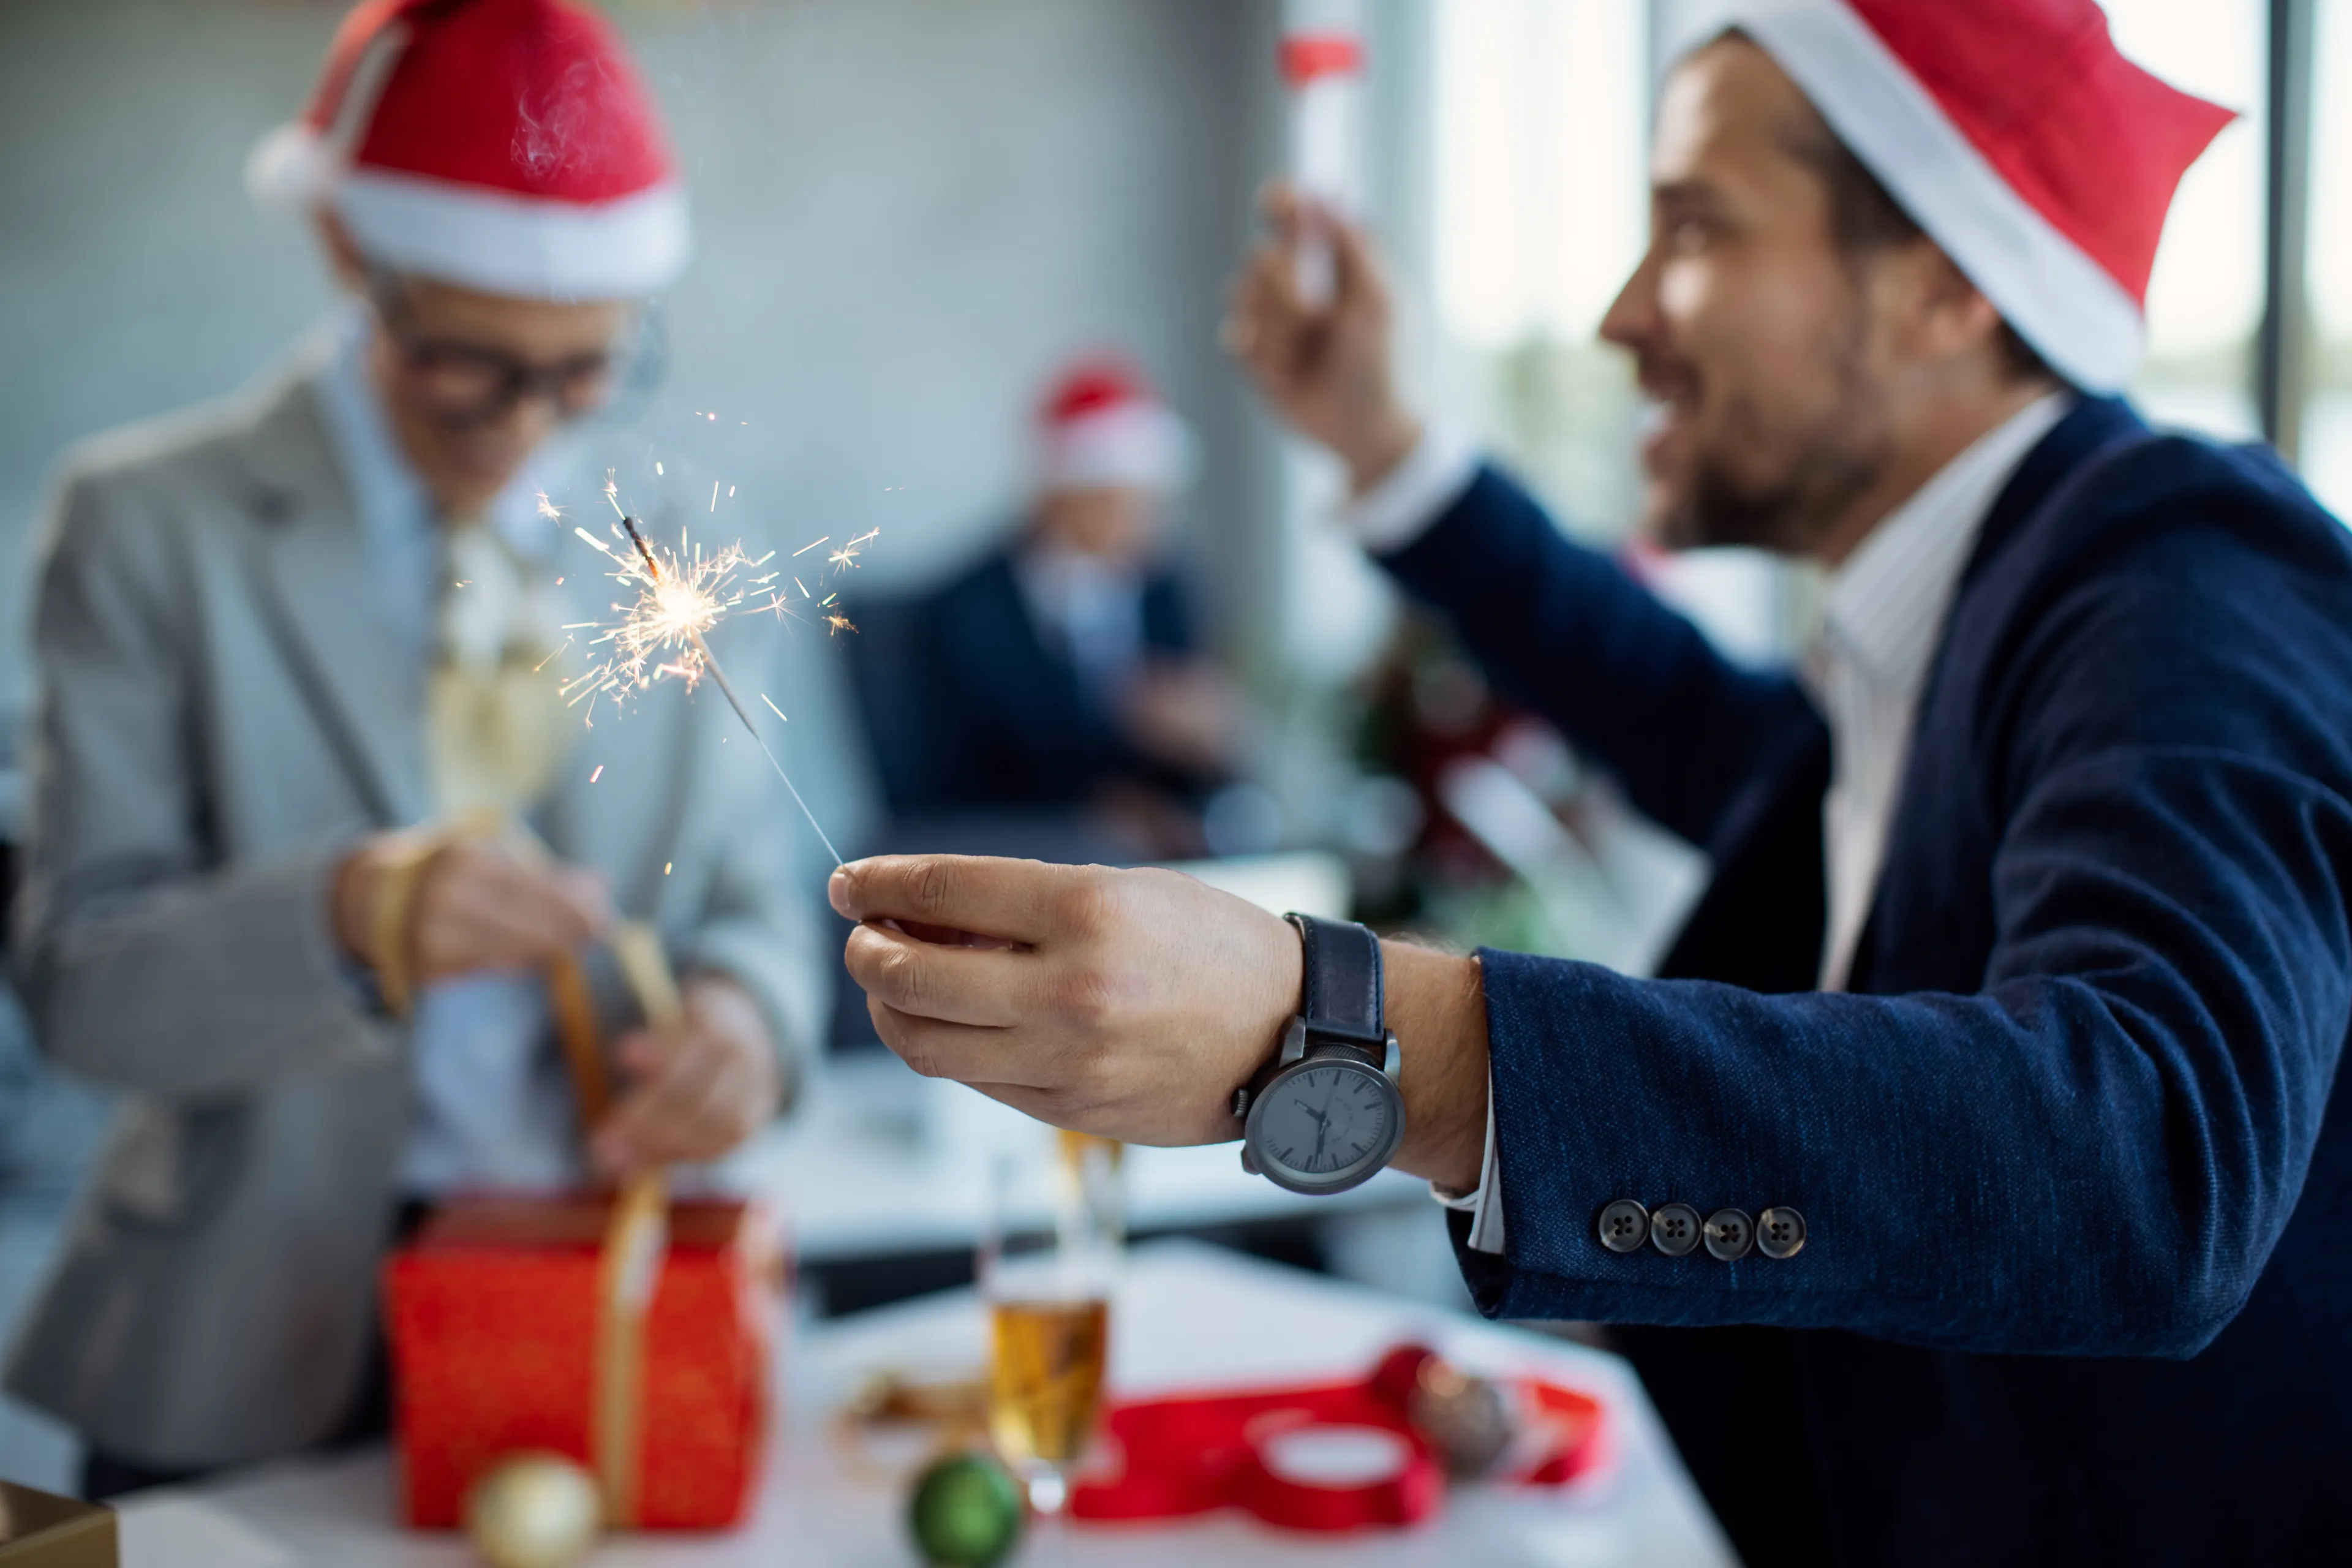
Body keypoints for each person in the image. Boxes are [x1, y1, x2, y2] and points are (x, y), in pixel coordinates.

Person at [827, 3, 2352, 1562]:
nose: (1624, 313)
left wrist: (1345, 1030)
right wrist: (1387, 449)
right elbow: (1697, 722)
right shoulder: (1955, 626)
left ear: (1943, 284)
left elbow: (2155, 1151)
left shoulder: (2188, 568)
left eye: (1694, 228)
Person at [9, 0, 822, 1496]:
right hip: (238, 1333)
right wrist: (343, 918)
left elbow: (760, 897)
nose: (528, 423)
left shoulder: (683, 528)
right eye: (468, 360)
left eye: (585, 369)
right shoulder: (144, 527)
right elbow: (76, 986)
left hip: (605, 1292)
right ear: (348, 253)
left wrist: (748, 1024)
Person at [851, 358, 1238, 858]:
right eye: (1131, 504)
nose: (1153, 526)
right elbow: (940, 797)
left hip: (1158, 873)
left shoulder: (1167, 591)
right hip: (1027, 864)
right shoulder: (964, 614)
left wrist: (1209, 743)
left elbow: (1201, 784)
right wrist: (1088, 819)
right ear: (1065, 495)